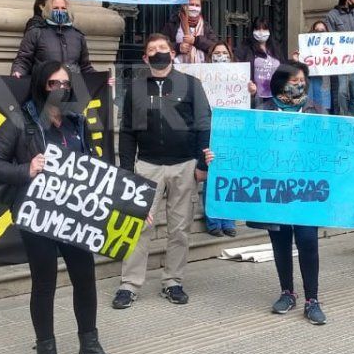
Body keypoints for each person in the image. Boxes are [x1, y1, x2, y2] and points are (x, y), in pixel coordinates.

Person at [0, 61, 119, 354]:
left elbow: (93, 171)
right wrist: (25, 170)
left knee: (85, 280)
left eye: (65, 83)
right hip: (38, 217)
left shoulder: (78, 122)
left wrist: (126, 207)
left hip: (75, 216)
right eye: (53, 83)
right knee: (44, 285)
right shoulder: (20, 121)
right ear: (41, 86)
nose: (61, 89)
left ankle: (89, 346)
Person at [113, 34, 212, 309]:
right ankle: (129, 284)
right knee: (137, 226)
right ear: (145, 58)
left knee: (179, 228)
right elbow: (128, 131)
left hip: (183, 165)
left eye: (162, 48)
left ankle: (173, 281)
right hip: (146, 166)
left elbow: (204, 124)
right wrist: (126, 170)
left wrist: (202, 165)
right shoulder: (135, 89)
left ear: (172, 52)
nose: (158, 52)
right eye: (152, 49)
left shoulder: (192, 85)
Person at [253, 62, 330, 325]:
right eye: (292, 79)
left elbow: (332, 150)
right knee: (280, 242)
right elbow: (249, 149)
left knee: (308, 241)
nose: (298, 84)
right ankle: (287, 292)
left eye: (302, 80)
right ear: (279, 83)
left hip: (306, 191)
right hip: (275, 191)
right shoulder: (262, 112)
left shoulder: (317, 112)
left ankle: (312, 299)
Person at [201, 43, 244, 238]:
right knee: (212, 177)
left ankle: (229, 221)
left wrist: (250, 90)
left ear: (230, 55)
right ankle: (213, 222)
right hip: (210, 131)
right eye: (217, 53)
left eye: (224, 53)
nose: (221, 56)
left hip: (233, 132)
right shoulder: (202, 78)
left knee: (231, 177)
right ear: (210, 57)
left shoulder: (239, 77)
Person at [11, 0, 94, 76]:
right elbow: (23, 59)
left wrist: (102, 78)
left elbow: (85, 67)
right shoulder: (36, 32)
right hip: (45, 85)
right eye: (55, 8)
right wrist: (18, 71)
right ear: (48, 10)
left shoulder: (78, 36)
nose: (60, 11)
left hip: (72, 86)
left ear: (68, 10)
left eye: (63, 8)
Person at [159, 0, 218, 64]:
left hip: (201, 67)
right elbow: (161, 45)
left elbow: (215, 46)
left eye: (197, 5)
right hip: (177, 66)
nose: (194, 7)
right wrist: (178, 47)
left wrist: (195, 40)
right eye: (191, 4)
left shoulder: (205, 26)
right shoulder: (173, 24)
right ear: (185, 6)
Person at [235, 19, 282, 106]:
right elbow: (239, 68)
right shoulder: (245, 49)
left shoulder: (276, 48)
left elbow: (283, 68)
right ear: (253, 31)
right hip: (255, 96)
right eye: (258, 29)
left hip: (275, 96)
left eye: (264, 29)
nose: (261, 32)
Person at [302, 21, 334, 112]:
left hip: (324, 86)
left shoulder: (333, 48)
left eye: (322, 31)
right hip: (310, 87)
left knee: (324, 116)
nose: (319, 33)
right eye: (316, 31)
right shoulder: (305, 47)